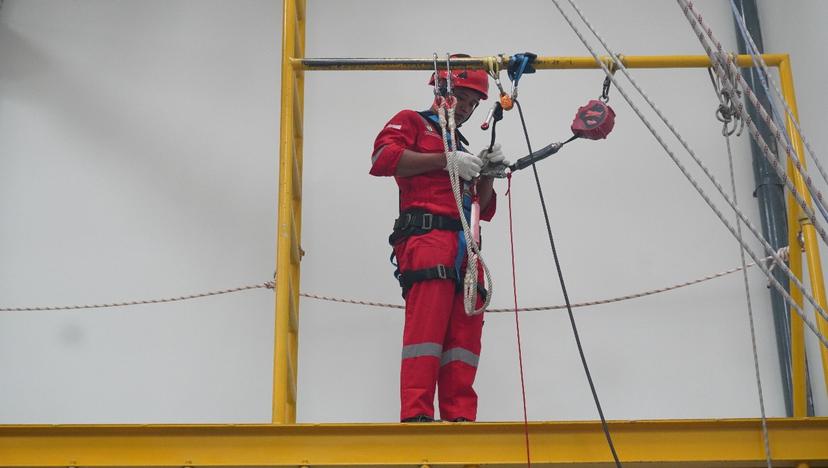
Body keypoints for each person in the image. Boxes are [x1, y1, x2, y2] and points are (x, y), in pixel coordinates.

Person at [369, 58, 508, 422]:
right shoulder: (414, 123)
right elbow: (384, 157)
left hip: (466, 247)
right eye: (462, 99)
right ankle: (416, 415)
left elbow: (483, 207)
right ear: (443, 91)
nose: (466, 108)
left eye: (473, 104)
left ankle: (460, 418)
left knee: (464, 339)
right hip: (428, 238)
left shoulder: (458, 145)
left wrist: (488, 172)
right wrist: (445, 160)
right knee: (426, 332)